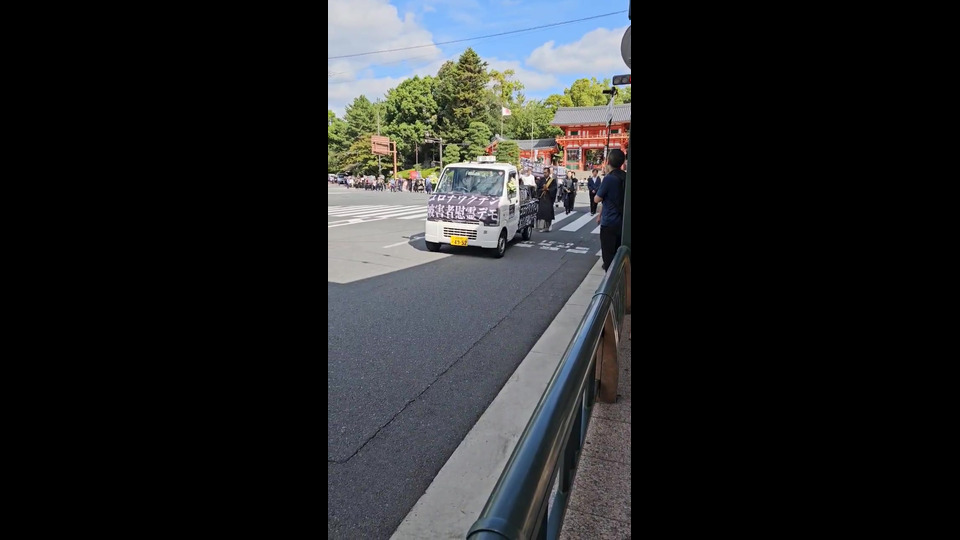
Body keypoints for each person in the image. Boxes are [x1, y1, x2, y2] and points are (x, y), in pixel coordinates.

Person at [594, 149, 627, 272]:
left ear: (608, 161)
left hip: (609, 222)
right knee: (619, 254)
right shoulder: (625, 176)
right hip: (622, 222)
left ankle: (610, 280)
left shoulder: (609, 178)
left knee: (608, 257)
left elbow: (597, 199)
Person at [536, 167, 557, 232]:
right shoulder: (541, 180)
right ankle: (541, 227)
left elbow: (554, 189)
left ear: (549, 173)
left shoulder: (552, 180)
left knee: (548, 213)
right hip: (542, 198)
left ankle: (548, 226)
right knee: (542, 213)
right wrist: (542, 189)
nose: (544, 174)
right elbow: (538, 189)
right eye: (544, 172)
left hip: (549, 198)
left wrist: (548, 189)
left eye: (546, 172)